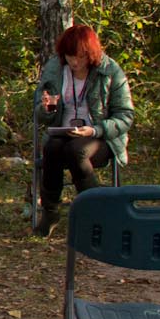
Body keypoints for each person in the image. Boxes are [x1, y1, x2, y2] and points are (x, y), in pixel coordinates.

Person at [34, 24, 134, 236]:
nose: (74, 62)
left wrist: (95, 130)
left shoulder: (110, 71)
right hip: (63, 132)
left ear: (91, 54)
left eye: (80, 57)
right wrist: (48, 108)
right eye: (70, 56)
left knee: (76, 151)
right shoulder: (55, 69)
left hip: (100, 137)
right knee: (51, 147)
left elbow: (125, 116)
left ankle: (96, 214)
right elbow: (40, 114)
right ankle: (50, 212)